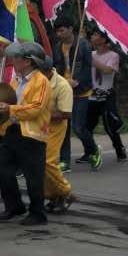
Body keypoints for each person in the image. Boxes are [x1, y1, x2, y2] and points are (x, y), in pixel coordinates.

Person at [0, 41, 52, 227]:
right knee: (3, 167)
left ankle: (38, 213)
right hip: (13, 130)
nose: (14, 60)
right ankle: (14, 206)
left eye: (17, 57)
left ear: (28, 61)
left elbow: (36, 108)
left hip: (32, 134)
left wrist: (10, 109)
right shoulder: (16, 79)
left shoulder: (41, 81)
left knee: (33, 175)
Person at [81, 29, 128, 167]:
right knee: (87, 126)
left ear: (104, 40)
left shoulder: (113, 56)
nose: (92, 36)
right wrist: (81, 42)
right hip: (92, 95)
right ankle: (89, 152)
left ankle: (119, 149)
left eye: (95, 34)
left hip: (106, 95)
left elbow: (107, 70)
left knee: (110, 126)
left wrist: (92, 60)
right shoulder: (91, 54)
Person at [51, 19, 92, 170]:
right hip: (64, 90)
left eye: (62, 30)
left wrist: (78, 81)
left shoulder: (84, 45)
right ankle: (64, 160)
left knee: (78, 126)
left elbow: (88, 68)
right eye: (57, 31)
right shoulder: (57, 47)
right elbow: (56, 67)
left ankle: (93, 149)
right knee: (64, 126)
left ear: (70, 28)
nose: (59, 34)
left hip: (80, 91)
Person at [43, 54, 76, 214]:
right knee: (38, 163)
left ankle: (65, 191)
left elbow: (66, 114)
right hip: (38, 127)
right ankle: (54, 196)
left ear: (48, 70)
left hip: (55, 128)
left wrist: (43, 114)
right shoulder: (37, 81)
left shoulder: (62, 85)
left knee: (48, 162)